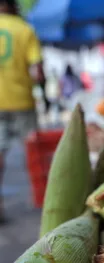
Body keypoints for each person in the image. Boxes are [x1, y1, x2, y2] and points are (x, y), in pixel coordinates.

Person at [0, 0, 44, 222]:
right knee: (33, 152)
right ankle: (41, 199)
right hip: (21, 101)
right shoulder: (24, 29)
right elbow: (38, 69)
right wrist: (43, 95)